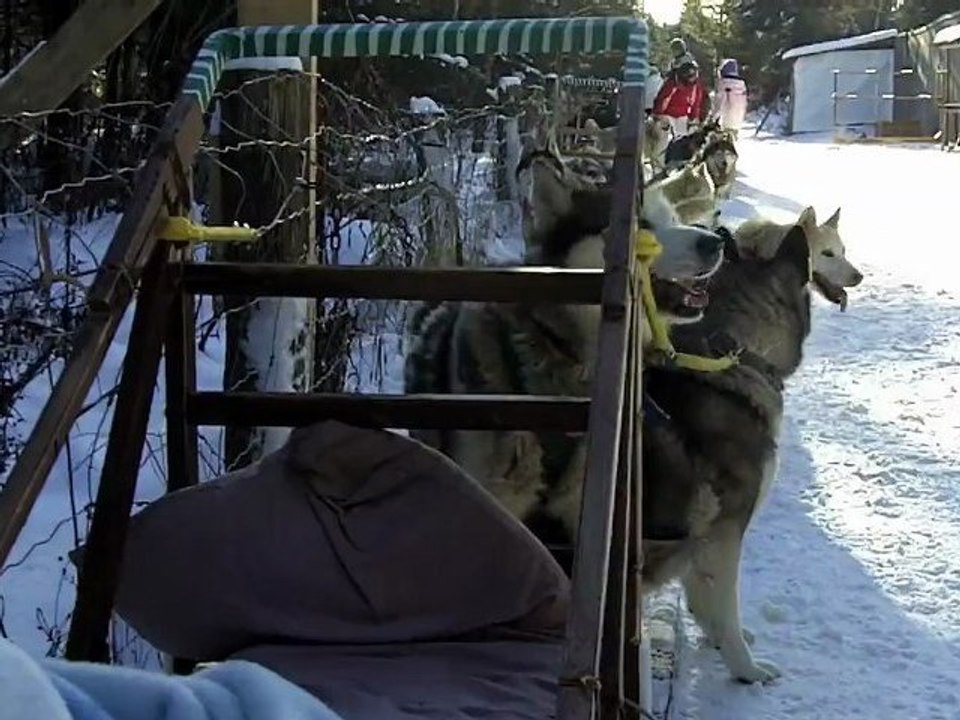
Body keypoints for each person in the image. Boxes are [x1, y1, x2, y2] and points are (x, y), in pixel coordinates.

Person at [651, 54, 708, 137]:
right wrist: (658, 114)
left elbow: (696, 102)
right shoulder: (672, 83)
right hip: (667, 116)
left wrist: (693, 117)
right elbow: (663, 98)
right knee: (667, 140)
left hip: (682, 116)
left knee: (681, 140)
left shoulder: (696, 86)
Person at [713, 57, 748, 138]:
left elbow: (719, 104)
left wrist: (714, 118)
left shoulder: (724, 84)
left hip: (725, 122)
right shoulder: (741, 86)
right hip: (737, 122)